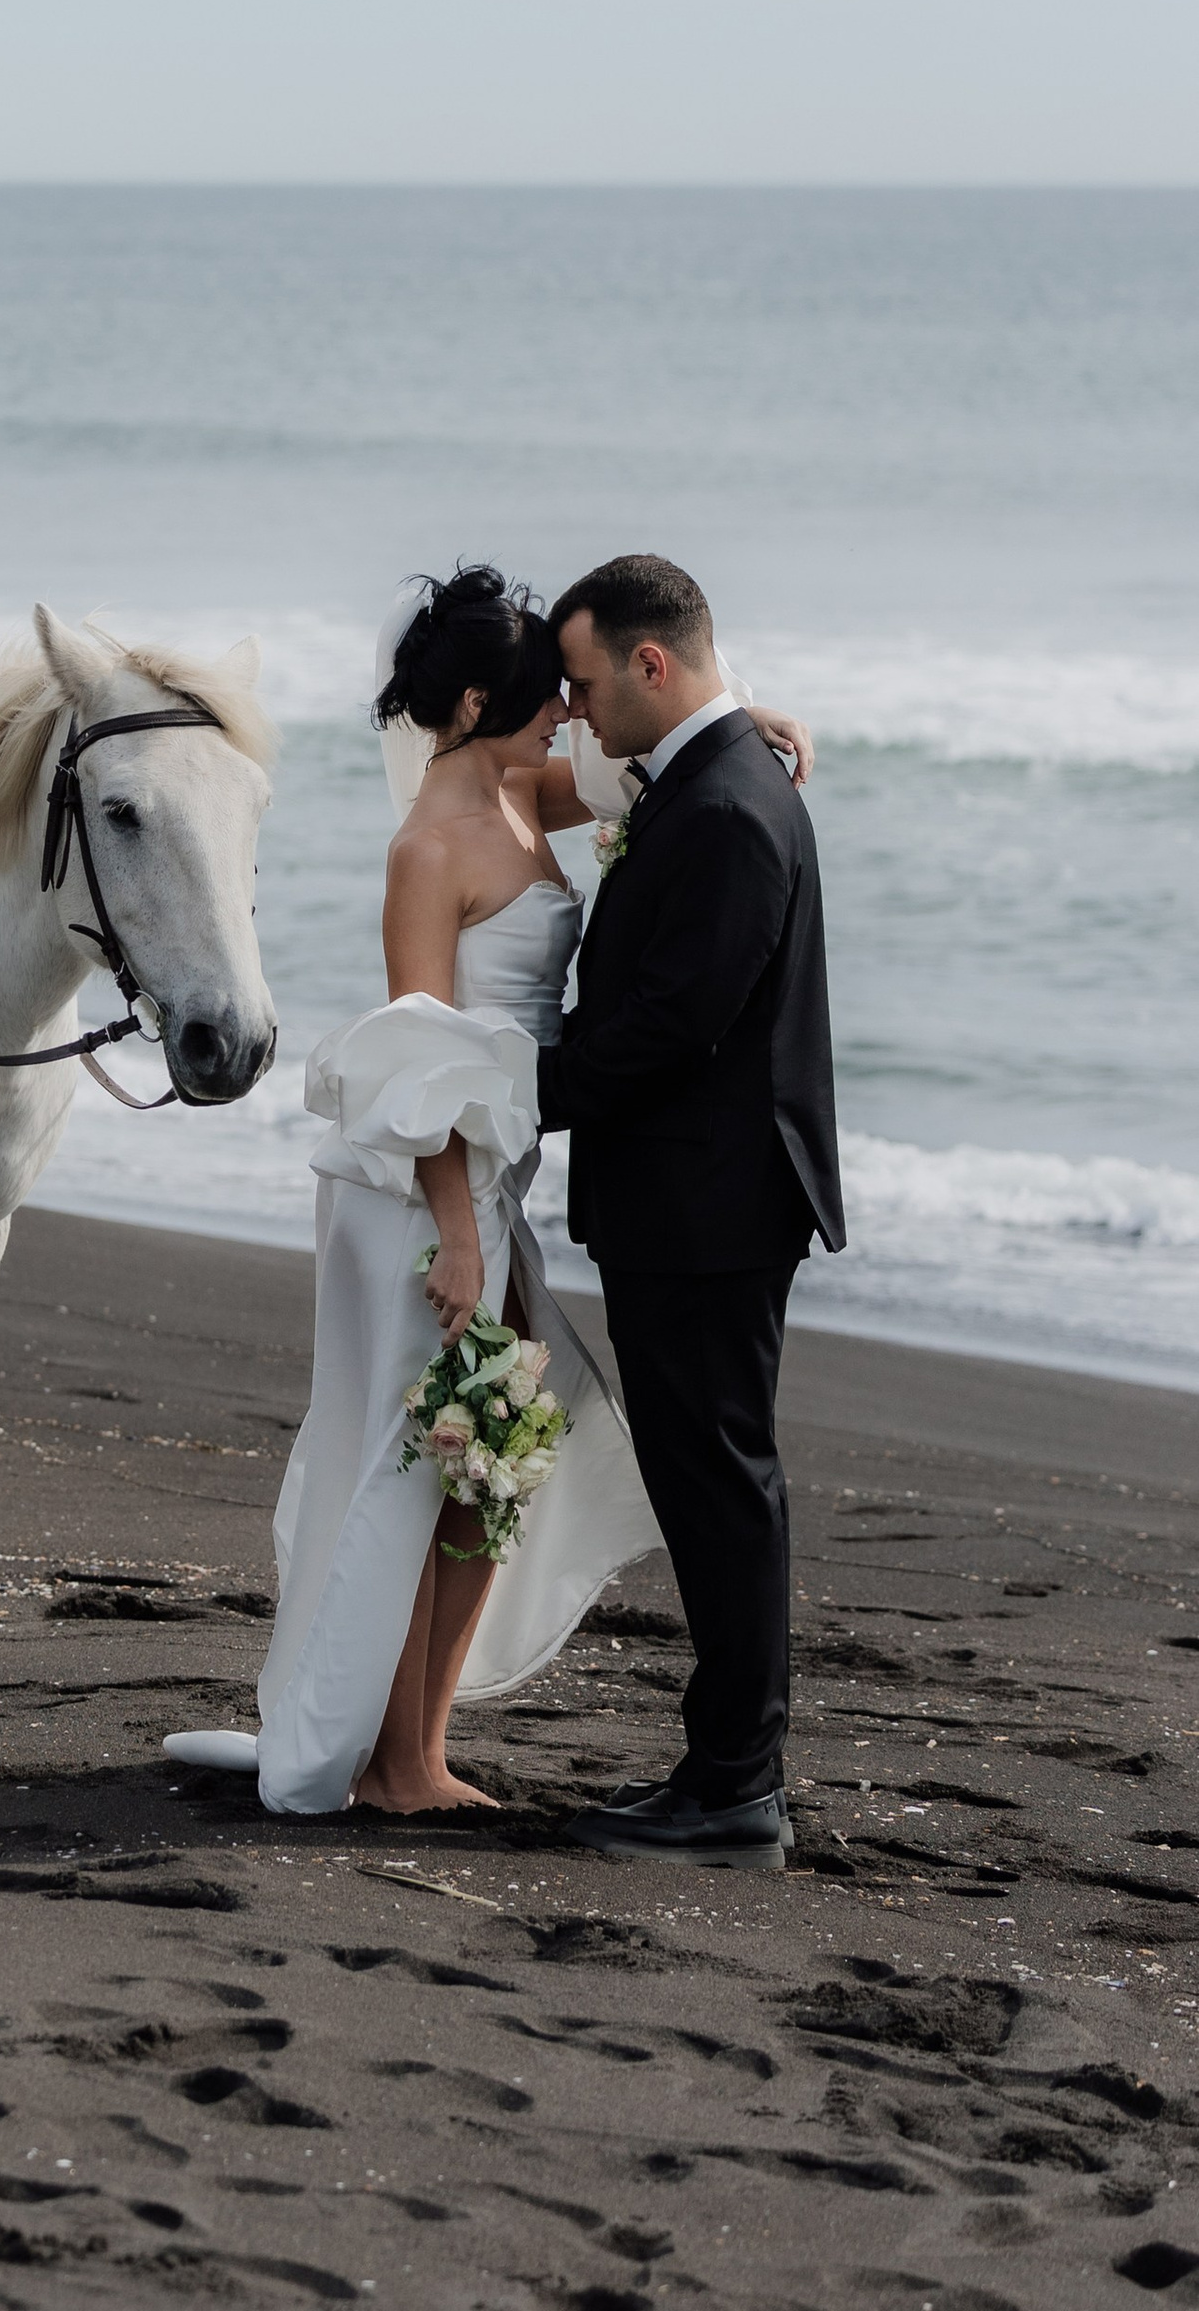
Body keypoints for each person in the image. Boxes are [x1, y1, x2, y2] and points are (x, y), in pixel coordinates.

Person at [163, 564, 816, 1827]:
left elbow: (669, 764)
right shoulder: (429, 847)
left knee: (489, 1457)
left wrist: (767, 720)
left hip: (494, 1183)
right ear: (476, 702)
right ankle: (394, 1762)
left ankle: (409, 1747)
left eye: (573, 693)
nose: (569, 716)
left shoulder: (526, 790)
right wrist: (459, 1234)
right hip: (421, 1196)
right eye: (546, 699)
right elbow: (416, 1057)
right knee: (438, 1456)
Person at [541, 553, 843, 1867]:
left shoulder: (725, 808)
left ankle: (734, 1785)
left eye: (588, 680)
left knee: (721, 1486)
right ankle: (726, 1770)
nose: (577, 710)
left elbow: (670, 1028)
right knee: (709, 1479)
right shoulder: (716, 774)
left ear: (650, 665)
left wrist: (503, 1084)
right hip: (691, 1199)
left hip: (711, 1207)